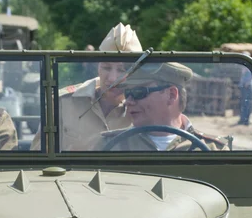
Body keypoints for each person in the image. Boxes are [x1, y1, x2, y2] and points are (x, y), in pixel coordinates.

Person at [30, 22, 143, 151]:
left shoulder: (145, 107)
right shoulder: (62, 102)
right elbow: (39, 155)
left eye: (122, 70)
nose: (112, 78)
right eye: (106, 67)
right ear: (98, 66)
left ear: (136, 72)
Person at [94, 62, 230, 151]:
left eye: (138, 93)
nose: (128, 101)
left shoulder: (213, 149)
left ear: (171, 95)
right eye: (127, 93)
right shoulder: (110, 145)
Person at [237, 51, 252, 126]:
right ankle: (242, 119)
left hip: (248, 87)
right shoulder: (243, 66)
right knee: (243, 103)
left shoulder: (251, 65)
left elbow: (250, 78)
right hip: (243, 87)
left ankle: (246, 120)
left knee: (247, 103)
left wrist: (246, 84)